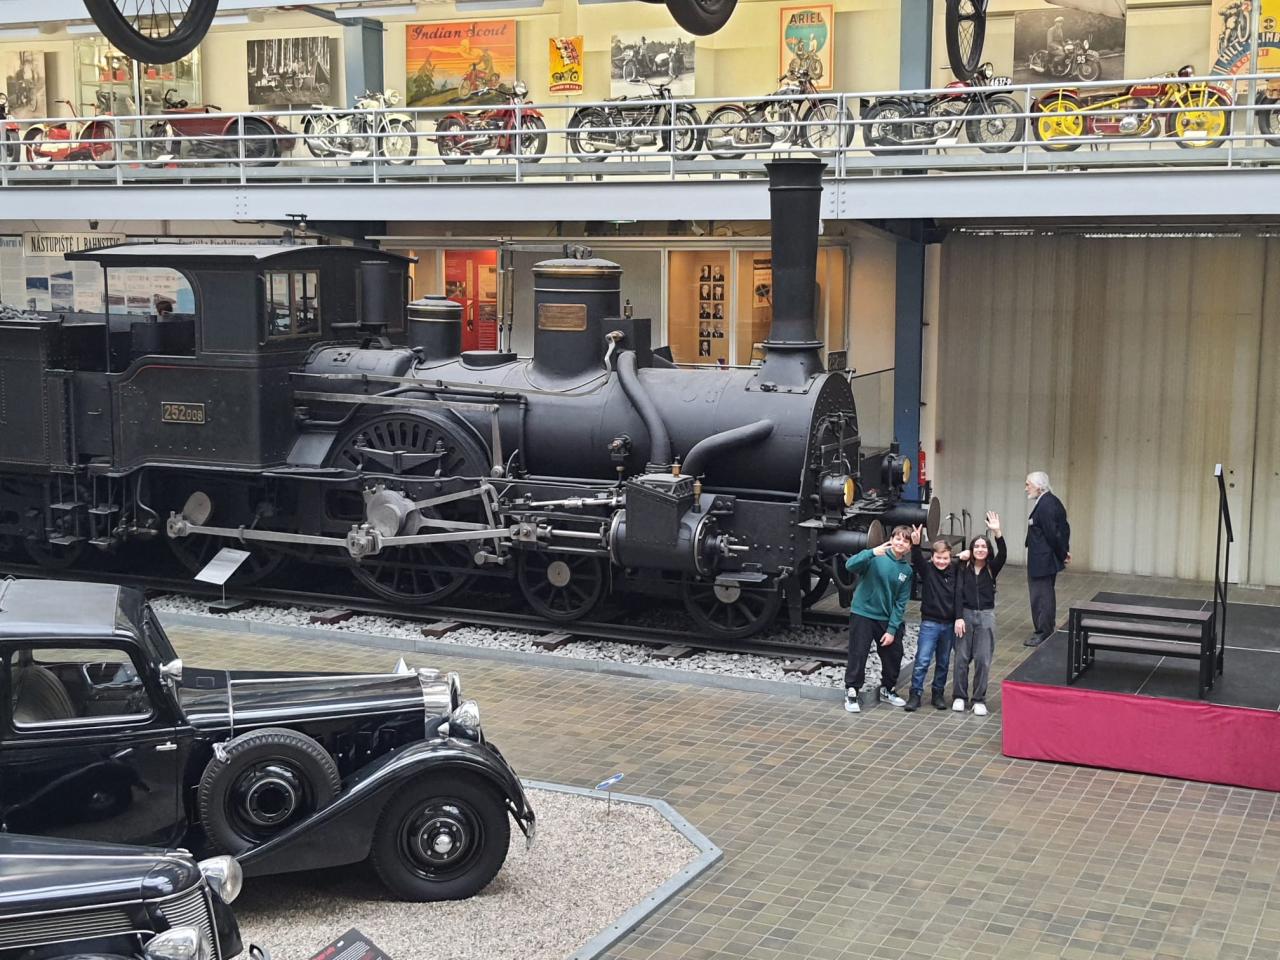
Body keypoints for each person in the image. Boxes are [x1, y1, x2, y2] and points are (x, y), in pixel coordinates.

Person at [842, 526, 913, 713]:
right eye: (898, 538)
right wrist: (871, 552)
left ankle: (887, 689)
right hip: (863, 613)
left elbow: (901, 602)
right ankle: (851, 691)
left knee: (894, 653)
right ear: (891, 539)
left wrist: (892, 629)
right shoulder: (875, 556)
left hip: (885, 617)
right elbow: (849, 565)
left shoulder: (907, 571)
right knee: (858, 653)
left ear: (909, 547)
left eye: (905, 541)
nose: (901, 543)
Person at [953, 512, 1007, 717]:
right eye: (976, 546)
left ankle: (978, 699)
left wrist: (997, 532)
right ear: (971, 549)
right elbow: (957, 592)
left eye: (984, 546)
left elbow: (1003, 554)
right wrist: (958, 617)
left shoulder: (992, 568)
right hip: (965, 615)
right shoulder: (963, 567)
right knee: (961, 658)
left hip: (986, 616)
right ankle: (959, 696)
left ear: (988, 550)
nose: (980, 549)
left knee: (983, 659)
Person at [906, 528, 962, 712]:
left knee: (944, 662)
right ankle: (915, 693)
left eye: (945, 558)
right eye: (938, 558)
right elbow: (917, 560)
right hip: (930, 622)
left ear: (950, 557)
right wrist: (916, 544)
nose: (941, 561)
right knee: (922, 660)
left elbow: (964, 559)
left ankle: (938, 693)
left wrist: (963, 555)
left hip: (949, 624)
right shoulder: (928, 570)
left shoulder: (955, 570)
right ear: (932, 557)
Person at [1025, 471, 1070, 647]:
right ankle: (1044, 629)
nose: (1026, 488)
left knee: (1042, 597)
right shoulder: (1048, 501)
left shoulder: (1046, 505)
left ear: (1039, 486)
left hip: (1043, 560)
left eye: (1028, 484)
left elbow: (1054, 534)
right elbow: (1063, 529)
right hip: (1042, 558)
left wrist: (1063, 553)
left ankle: (1043, 632)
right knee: (1042, 595)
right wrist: (1064, 551)